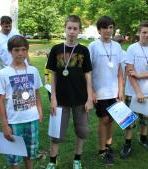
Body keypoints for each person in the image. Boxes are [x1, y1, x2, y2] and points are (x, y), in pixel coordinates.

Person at [46, 15, 93, 169]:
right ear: (65, 29)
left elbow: (88, 75)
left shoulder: (83, 50)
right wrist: (53, 97)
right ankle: (52, 161)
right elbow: (52, 74)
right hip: (60, 99)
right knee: (56, 133)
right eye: (69, 28)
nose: (72, 31)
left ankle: (77, 159)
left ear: (79, 30)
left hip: (80, 98)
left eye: (75, 28)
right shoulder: (56, 49)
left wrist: (90, 97)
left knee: (82, 131)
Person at [0, 35, 43, 169]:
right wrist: (4, 125)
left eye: (23, 49)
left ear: (27, 50)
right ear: (10, 51)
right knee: (15, 159)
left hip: (32, 120)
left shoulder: (33, 70)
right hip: (14, 123)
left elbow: (37, 93)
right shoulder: (3, 73)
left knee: (30, 154)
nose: (20, 53)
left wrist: (40, 112)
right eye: (16, 50)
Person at [120, 21, 148, 159]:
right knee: (129, 121)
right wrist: (138, 91)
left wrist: (141, 75)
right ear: (139, 33)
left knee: (145, 120)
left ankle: (143, 139)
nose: (146, 35)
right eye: (144, 32)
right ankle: (127, 144)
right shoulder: (132, 48)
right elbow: (129, 71)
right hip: (132, 91)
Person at [88, 16, 124, 166]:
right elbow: (87, 71)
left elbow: (120, 70)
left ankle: (108, 145)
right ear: (99, 30)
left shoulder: (117, 46)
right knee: (103, 119)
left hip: (114, 91)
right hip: (100, 91)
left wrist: (121, 90)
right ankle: (102, 150)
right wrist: (92, 91)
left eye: (110, 27)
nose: (108, 31)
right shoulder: (93, 46)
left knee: (111, 120)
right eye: (105, 28)